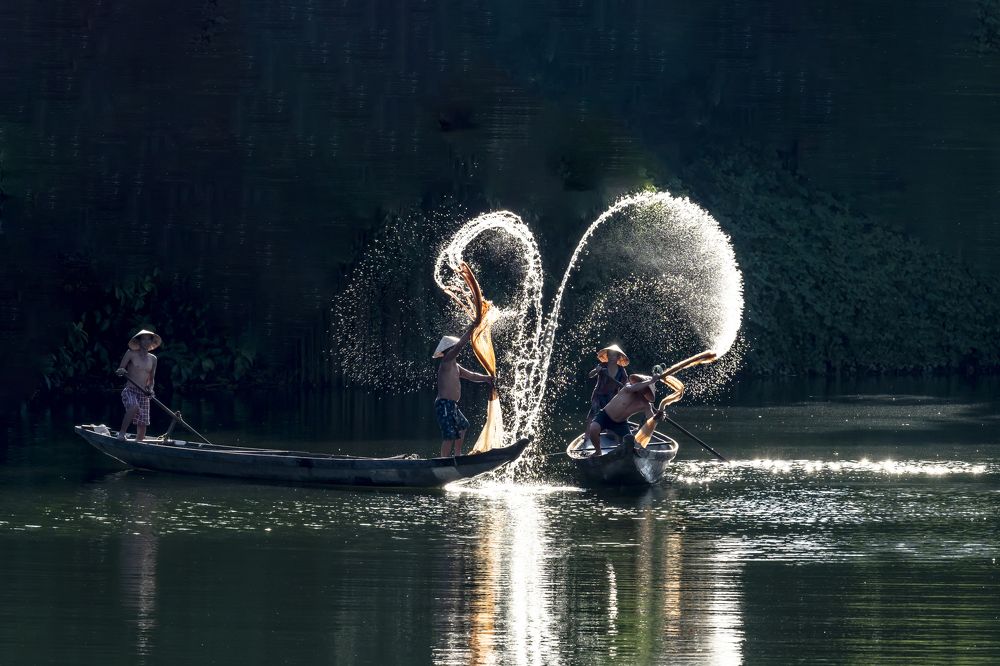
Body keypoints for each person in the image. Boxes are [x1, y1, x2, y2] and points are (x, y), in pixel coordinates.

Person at [433, 320, 494, 457]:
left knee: (463, 426)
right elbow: (460, 346)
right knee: (449, 434)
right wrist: (472, 328)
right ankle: (444, 461)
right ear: (448, 350)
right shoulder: (446, 361)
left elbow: (472, 376)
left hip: (452, 405)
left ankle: (458, 454)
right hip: (443, 404)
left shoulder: (456, 366)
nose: (455, 350)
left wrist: (486, 378)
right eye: (452, 348)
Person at [587, 372, 684, 456]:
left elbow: (651, 421)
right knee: (593, 428)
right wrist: (650, 381)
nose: (641, 387)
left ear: (647, 390)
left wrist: (658, 416)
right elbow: (633, 388)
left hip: (620, 423)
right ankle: (598, 451)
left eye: (645, 387)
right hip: (605, 415)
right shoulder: (628, 388)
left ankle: (622, 457)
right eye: (641, 383)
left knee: (630, 444)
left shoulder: (645, 404)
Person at [115, 329, 161, 441]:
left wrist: (150, 389)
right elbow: (119, 370)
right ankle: (121, 434)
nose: (146, 342)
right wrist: (121, 371)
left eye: (148, 339)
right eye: (143, 339)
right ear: (139, 342)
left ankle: (138, 445)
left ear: (151, 342)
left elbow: (151, 379)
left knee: (142, 424)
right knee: (134, 406)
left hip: (144, 393)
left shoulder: (153, 359)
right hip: (130, 390)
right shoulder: (130, 353)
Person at [586, 344, 630, 428]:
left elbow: (625, 384)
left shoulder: (621, 370)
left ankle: (608, 430)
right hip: (598, 395)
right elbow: (590, 375)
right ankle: (587, 435)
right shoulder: (603, 365)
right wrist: (596, 370)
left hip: (612, 397)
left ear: (618, 357)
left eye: (614, 355)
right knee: (593, 412)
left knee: (610, 416)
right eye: (609, 355)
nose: (611, 357)